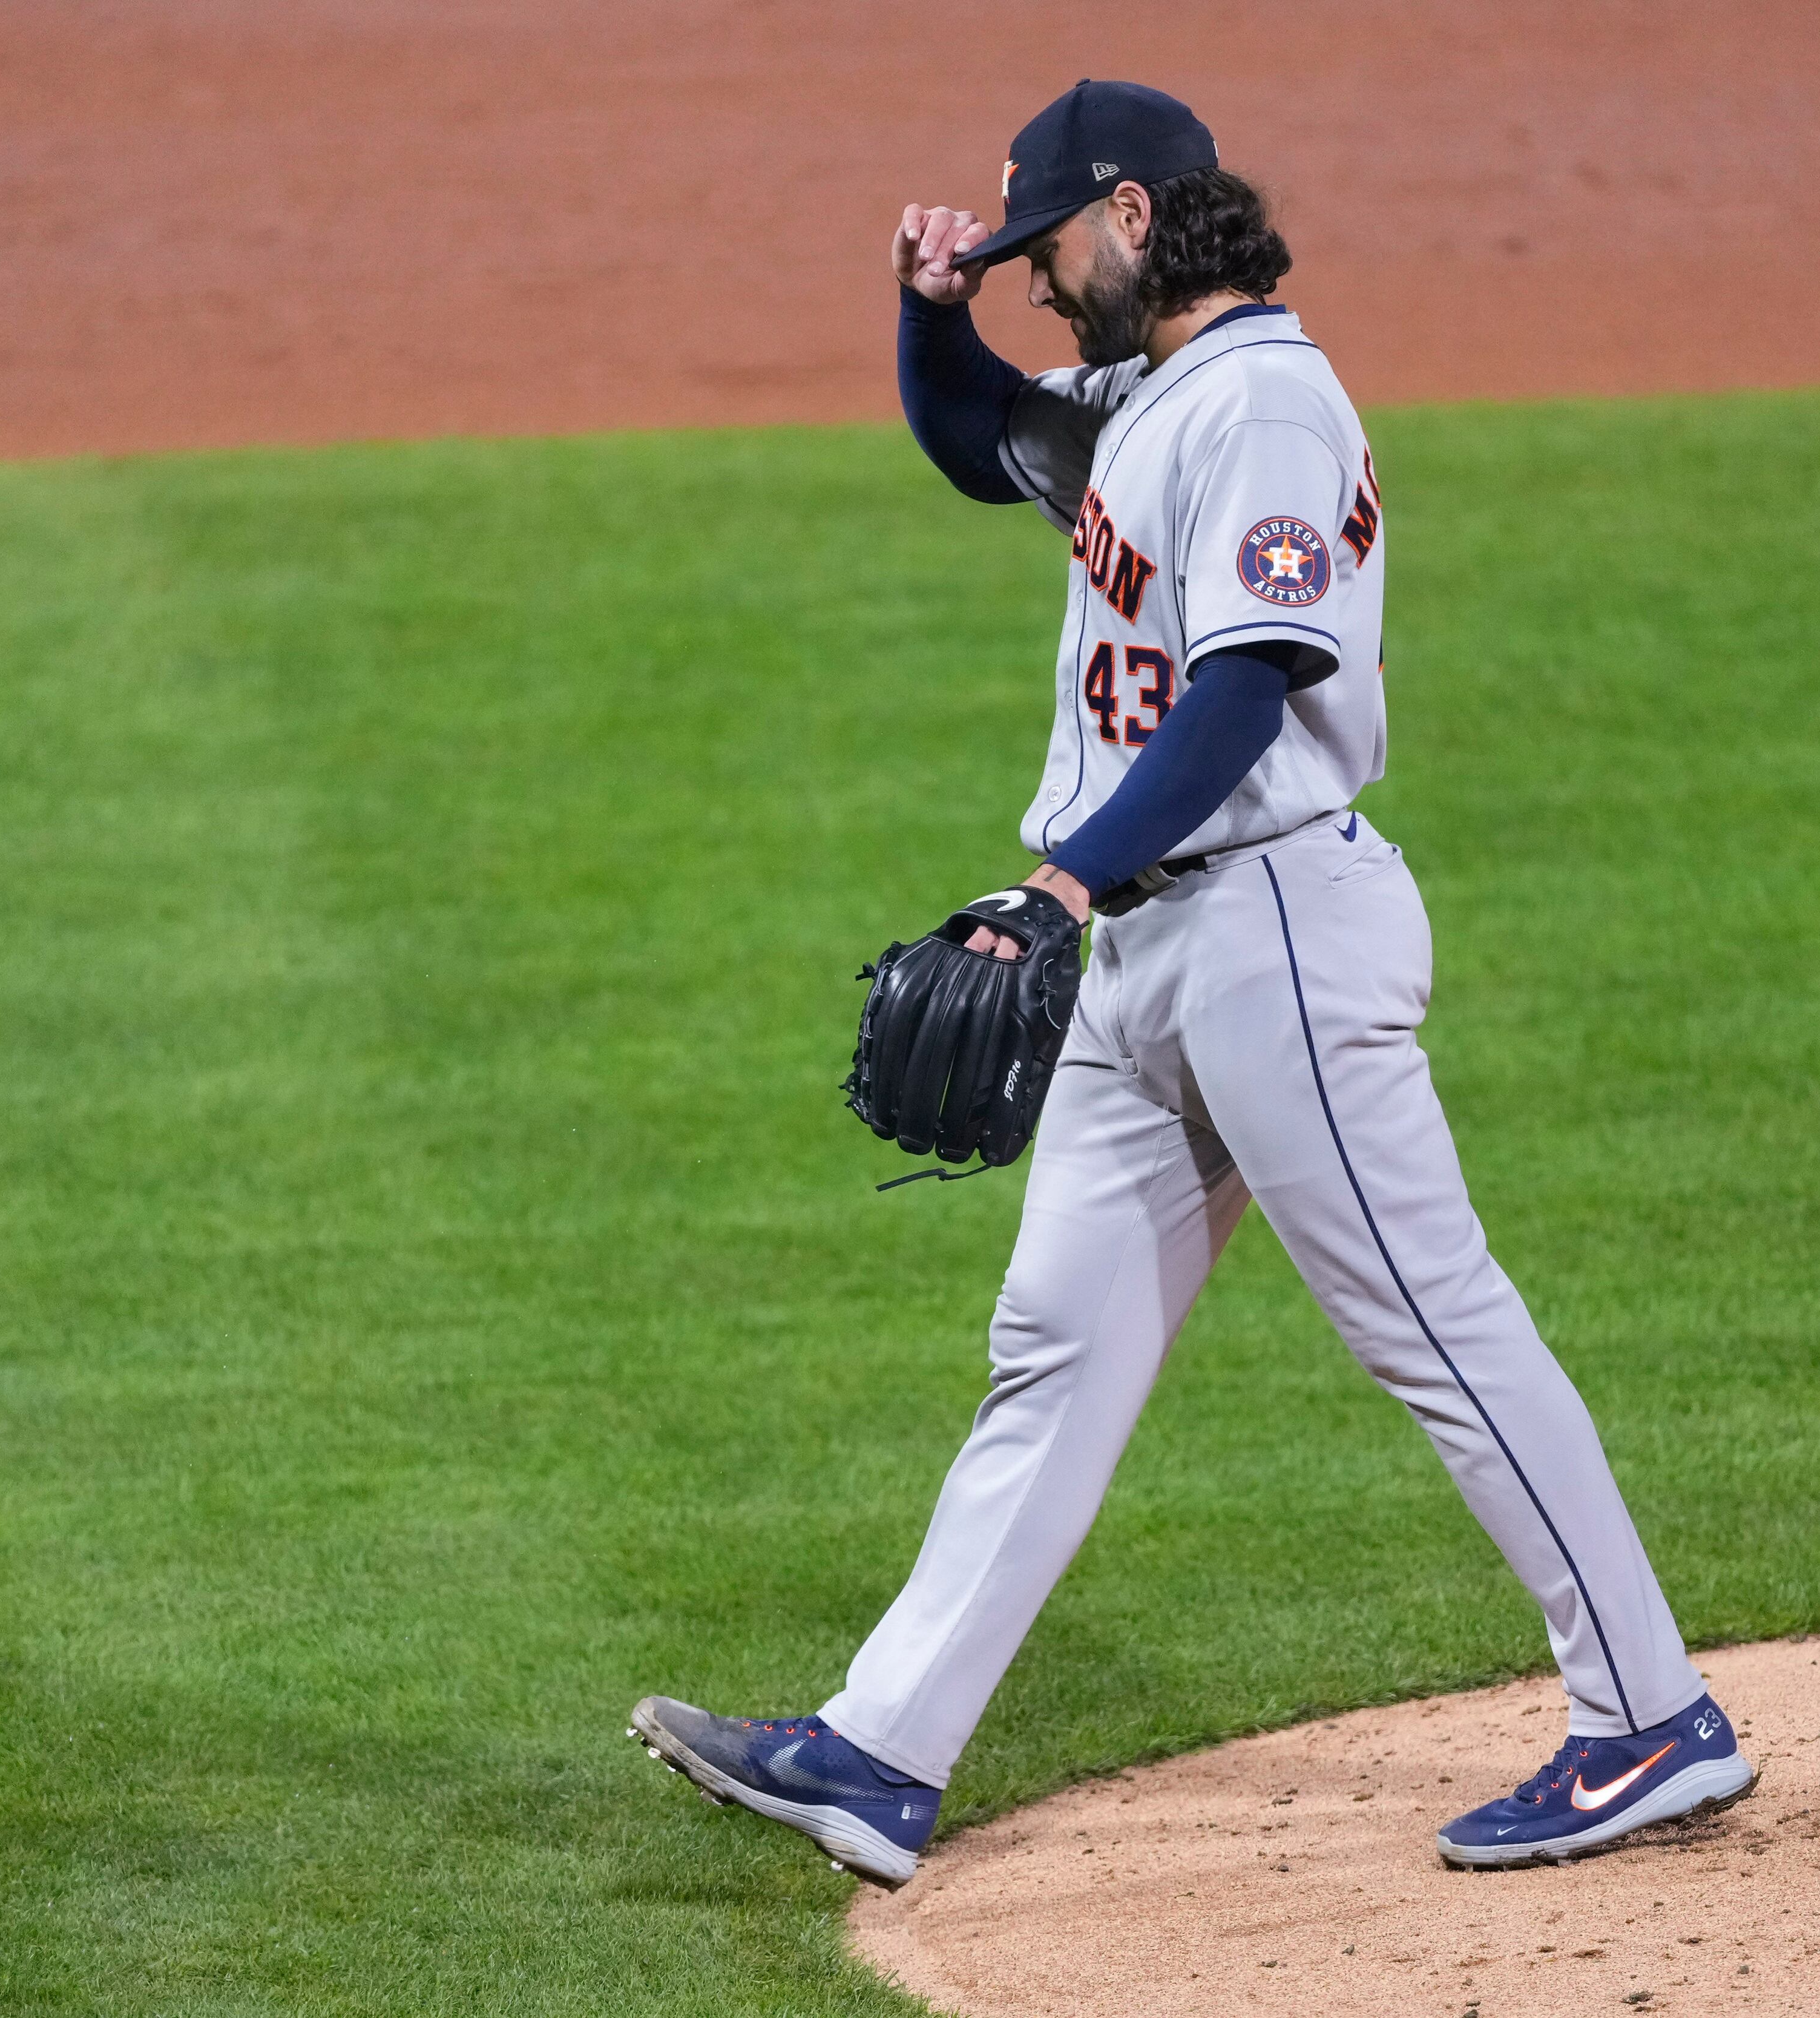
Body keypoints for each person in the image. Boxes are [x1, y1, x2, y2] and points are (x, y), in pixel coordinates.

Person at [630, 79, 1755, 1885]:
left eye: (1044, 249)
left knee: (1435, 1324)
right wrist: (927, 313)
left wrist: (1064, 876)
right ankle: (878, 1752)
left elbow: (1251, 677)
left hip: (1271, 933)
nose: (1037, 285)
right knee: (1054, 1352)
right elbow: (974, 437)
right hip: (1145, 951)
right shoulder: (1144, 399)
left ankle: (1649, 1717)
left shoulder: (1267, 408)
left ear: (1138, 215)